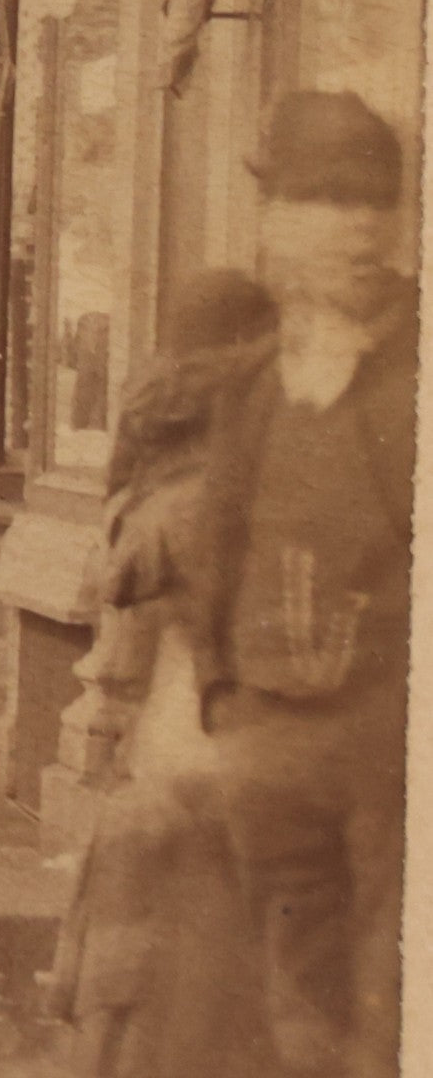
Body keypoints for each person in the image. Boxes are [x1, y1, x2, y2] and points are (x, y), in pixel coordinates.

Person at [195, 91, 415, 1078]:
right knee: (287, 994)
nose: (356, 227)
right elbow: (218, 542)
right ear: (279, 223)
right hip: (267, 738)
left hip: (392, 752)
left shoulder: (413, 374)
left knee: (390, 1002)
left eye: (373, 204)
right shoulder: (251, 383)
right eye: (327, 202)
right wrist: (219, 694)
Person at [49, 271, 280, 1078]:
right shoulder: (229, 460)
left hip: (138, 736)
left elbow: (107, 581)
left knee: (130, 992)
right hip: (200, 743)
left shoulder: (147, 439)